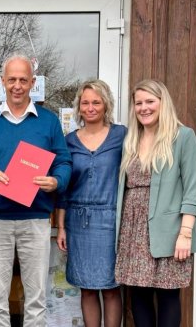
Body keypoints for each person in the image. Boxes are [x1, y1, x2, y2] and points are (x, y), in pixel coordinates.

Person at [0, 54, 72, 327]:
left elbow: (63, 161)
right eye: (11, 79)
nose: (17, 85)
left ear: (32, 83)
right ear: (2, 82)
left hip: (35, 220)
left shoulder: (48, 122)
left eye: (23, 80)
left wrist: (56, 181)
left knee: (36, 297)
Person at [114, 79, 196, 327]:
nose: (144, 108)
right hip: (133, 231)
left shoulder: (182, 137)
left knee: (168, 294)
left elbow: (193, 189)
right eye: (138, 103)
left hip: (169, 230)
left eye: (150, 101)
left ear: (163, 103)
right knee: (138, 295)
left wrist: (185, 233)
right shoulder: (130, 140)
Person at [55, 79, 125, 327]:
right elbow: (63, 187)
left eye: (96, 102)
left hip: (111, 220)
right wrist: (61, 227)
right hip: (79, 222)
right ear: (79, 107)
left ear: (106, 104)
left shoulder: (122, 135)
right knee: (86, 288)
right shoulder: (69, 140)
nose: (91, 107)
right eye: (85, 102)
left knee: (111, 287)